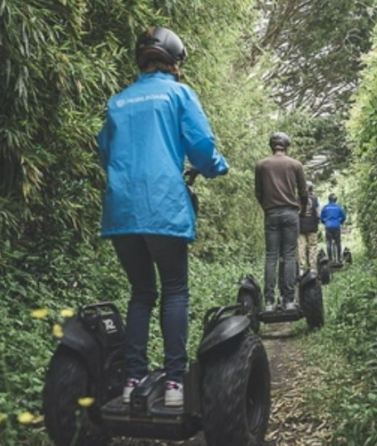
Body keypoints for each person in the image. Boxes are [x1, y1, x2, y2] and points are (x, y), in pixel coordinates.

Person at [96, 26, 229, 407]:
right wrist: (217, 167)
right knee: (174, 290)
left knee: (141, 292)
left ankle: (132, 380)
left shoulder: (117, 101)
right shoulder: (178, 94)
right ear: (174, 61)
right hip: (163, 205)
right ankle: (174, 384)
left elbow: (105, 150)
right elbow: (201, 147)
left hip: (121, 206)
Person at [255, 132, 307, 312]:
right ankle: (289, 300)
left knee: (271, 256)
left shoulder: (261, 165)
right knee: (290, 255)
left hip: (271, 214)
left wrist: (267, 208)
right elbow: (303, 192)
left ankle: (269, 302)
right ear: (286, 146)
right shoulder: (295, 164)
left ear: (272, 146)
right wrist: (303, 209)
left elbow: (258, 193)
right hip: (291, 213)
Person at [298, 181, 320, 274]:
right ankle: (313, 267)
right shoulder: (315, 199)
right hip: (312, 227)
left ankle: (301, 268)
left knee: (301, 246)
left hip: (301, 226)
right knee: (312, 246)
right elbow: (318, 213)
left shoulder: (298, 199)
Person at [320, 193, 347, 263]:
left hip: (328, 226)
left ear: (328, 199)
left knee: (329, 242)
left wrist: (325, 222)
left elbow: (321, 218)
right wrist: (339, 222)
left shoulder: (325, 207)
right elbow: (344, 217)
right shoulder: (339, 207)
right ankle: (339, 259)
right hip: (336, 226)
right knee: (338, 242)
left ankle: (330, 259)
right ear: (336, 200)